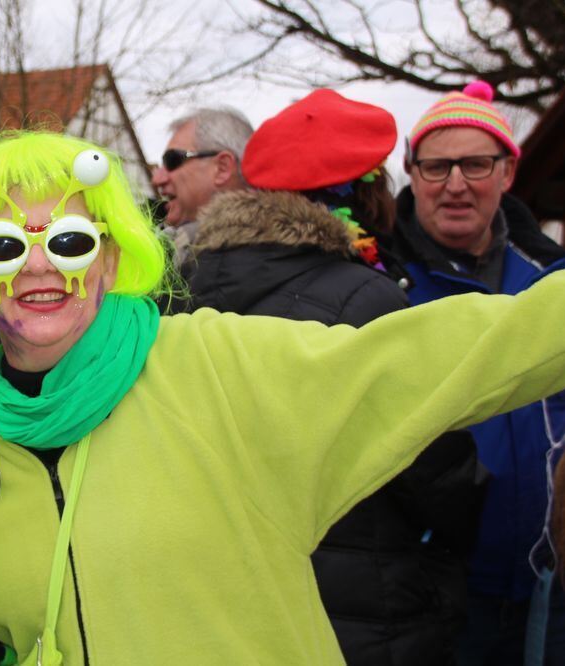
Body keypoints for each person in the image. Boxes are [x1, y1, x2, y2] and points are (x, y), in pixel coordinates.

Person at [0, 130, 565, 665]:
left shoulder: (217, 367)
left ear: (113, 258)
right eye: (4, 247)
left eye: (70, 241)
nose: (39, 266)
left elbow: (434, 357)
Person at [199, 89, 480, 665]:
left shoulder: (186, 285)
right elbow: (437, 471)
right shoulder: (370, 301)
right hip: (366, 611)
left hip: (229, 608)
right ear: (368, 191)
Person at [392, 80, 565, 664]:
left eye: (475, 164)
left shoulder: (554, 279)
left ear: (507, 171)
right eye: (436, 167)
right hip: (435, 594)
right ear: (411, 173)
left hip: (552, 592)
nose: (456, 184)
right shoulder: (383, 286)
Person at [150, 107, 253, 284]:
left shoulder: (250, 265)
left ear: (222, 168)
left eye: (173, 160)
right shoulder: (181, 252)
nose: (157, 179)